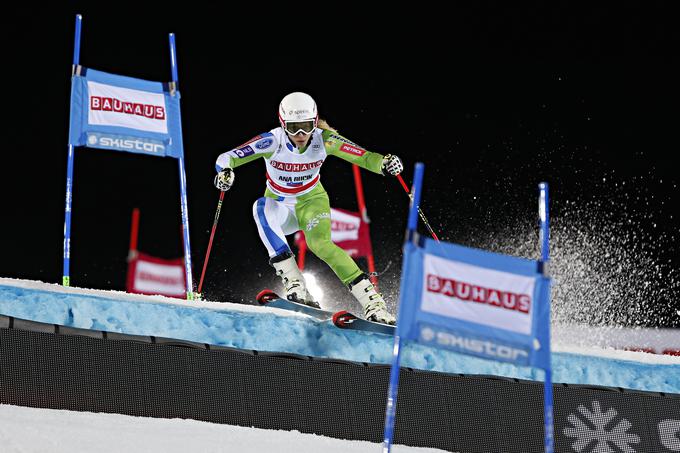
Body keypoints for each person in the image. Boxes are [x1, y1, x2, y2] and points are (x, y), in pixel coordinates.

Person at [214, 92, 403, 325]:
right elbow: (228, 156)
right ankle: (295, 284)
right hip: (281, 207)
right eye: (294, 128)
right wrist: (225, 171)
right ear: (283, 125)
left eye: (306, 127)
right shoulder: (272, 141)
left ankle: (374, 305)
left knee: (320, 245)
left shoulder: (325, 139)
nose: (301, 134)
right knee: (260, 207)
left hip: (312, 203)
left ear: (314, 122)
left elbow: (364, 157)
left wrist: (384, 163)